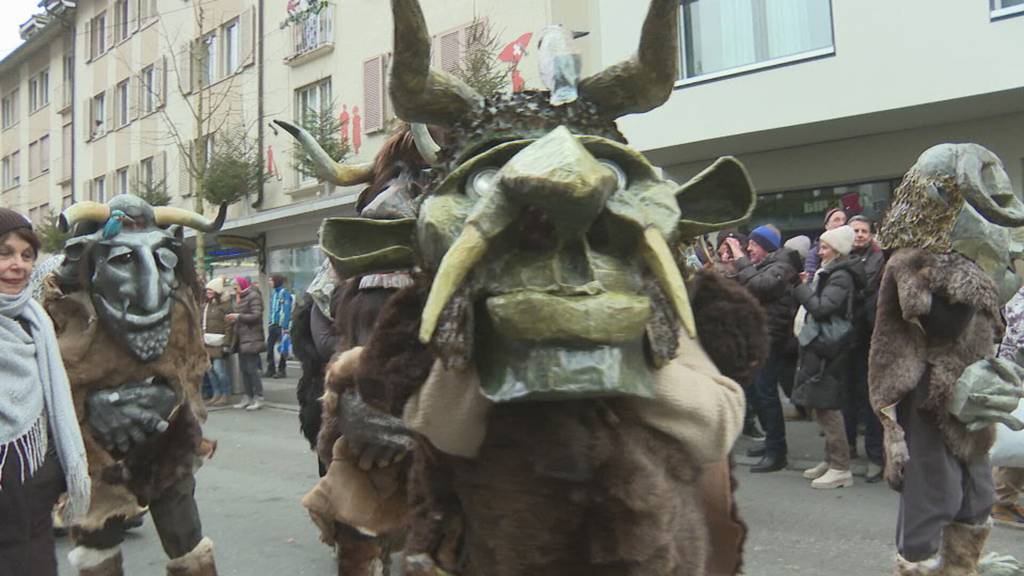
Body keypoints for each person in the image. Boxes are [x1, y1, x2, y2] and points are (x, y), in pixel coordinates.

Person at [0, 209, 90, 576]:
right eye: (5, 253)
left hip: (33, 492)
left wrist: (61, 472)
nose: (17, 265)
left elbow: (55, 406)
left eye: (25, 255)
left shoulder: (36, 319)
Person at [793, 225, 862, 489]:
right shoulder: (831, 272)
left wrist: (802, 289)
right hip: (825, 344)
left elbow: (822, 309)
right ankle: (830, 459)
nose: (819, 252)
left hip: (829, 345)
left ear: (837, 250)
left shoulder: (840, 276)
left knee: (828, 406)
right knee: (822, 404)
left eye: (824, 247)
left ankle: (841, 467)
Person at [732, 224, 802, 473]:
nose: (748, 248)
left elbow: (759, 286)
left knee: (768, 396)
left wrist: (739, 258)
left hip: (771, 340)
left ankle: (777, 452)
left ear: (766, 246)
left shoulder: (782, 266)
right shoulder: (767, 265)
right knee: (761, 395)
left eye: (753, 244)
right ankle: (771, 444)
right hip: (760, 338)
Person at [844, 215, 885, 482]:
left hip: (869, 338)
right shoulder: (841, 256)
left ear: (871, 234)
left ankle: (875, 457)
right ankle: (844, 451)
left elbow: (872, 294)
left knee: (870, 401)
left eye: (863, 230)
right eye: (854, 230)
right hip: (845, 339)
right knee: (846, 397)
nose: (859, 234)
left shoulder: (879, 260)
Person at [993, 284, 1024, 528]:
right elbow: (1018, 333)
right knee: (1017, 436)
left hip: (1015, 371)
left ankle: (1004, 498)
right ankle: (1001, 501)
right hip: (1018, 375)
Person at [229, 276, 266, 410]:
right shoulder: (241, 297)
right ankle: (248, 396)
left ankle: (258, 397)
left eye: (236, 287)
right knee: (244, 370)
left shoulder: (253, 296)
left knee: (252, 369)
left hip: (252, 338)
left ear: (242, 285)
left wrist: (238, 317)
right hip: (241, 339)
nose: (235, 291)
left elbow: (256, 315)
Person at [203, 277, 234, 406]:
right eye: (207, 291)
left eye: (210, 290)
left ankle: (225, 394)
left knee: (219, 371)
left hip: (219, 343)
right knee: (210, 371)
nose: (208, 293)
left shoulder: (225, 306)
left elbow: (229, 326)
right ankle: (216, 394)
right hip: (207, 342)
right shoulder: (207, 305)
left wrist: (226, 343)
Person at [804, 207, 848, 275]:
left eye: (844, 220)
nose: (842, 223)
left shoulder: (853, 247)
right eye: (837, 220)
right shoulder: (815, 252)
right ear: (827, 226)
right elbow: (810, 280)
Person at [266, 274, 294, 379]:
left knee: (282, 349)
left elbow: (286, 310)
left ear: (276, 281)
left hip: (281, 326)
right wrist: (270, 322)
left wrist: (285, 326)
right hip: (273, 325)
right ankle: (271, 369)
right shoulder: (274, 294)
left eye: (271, 280)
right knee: (269, 348)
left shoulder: (284, 293)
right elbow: (273, 310)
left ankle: (281, 370)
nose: (269, 283)